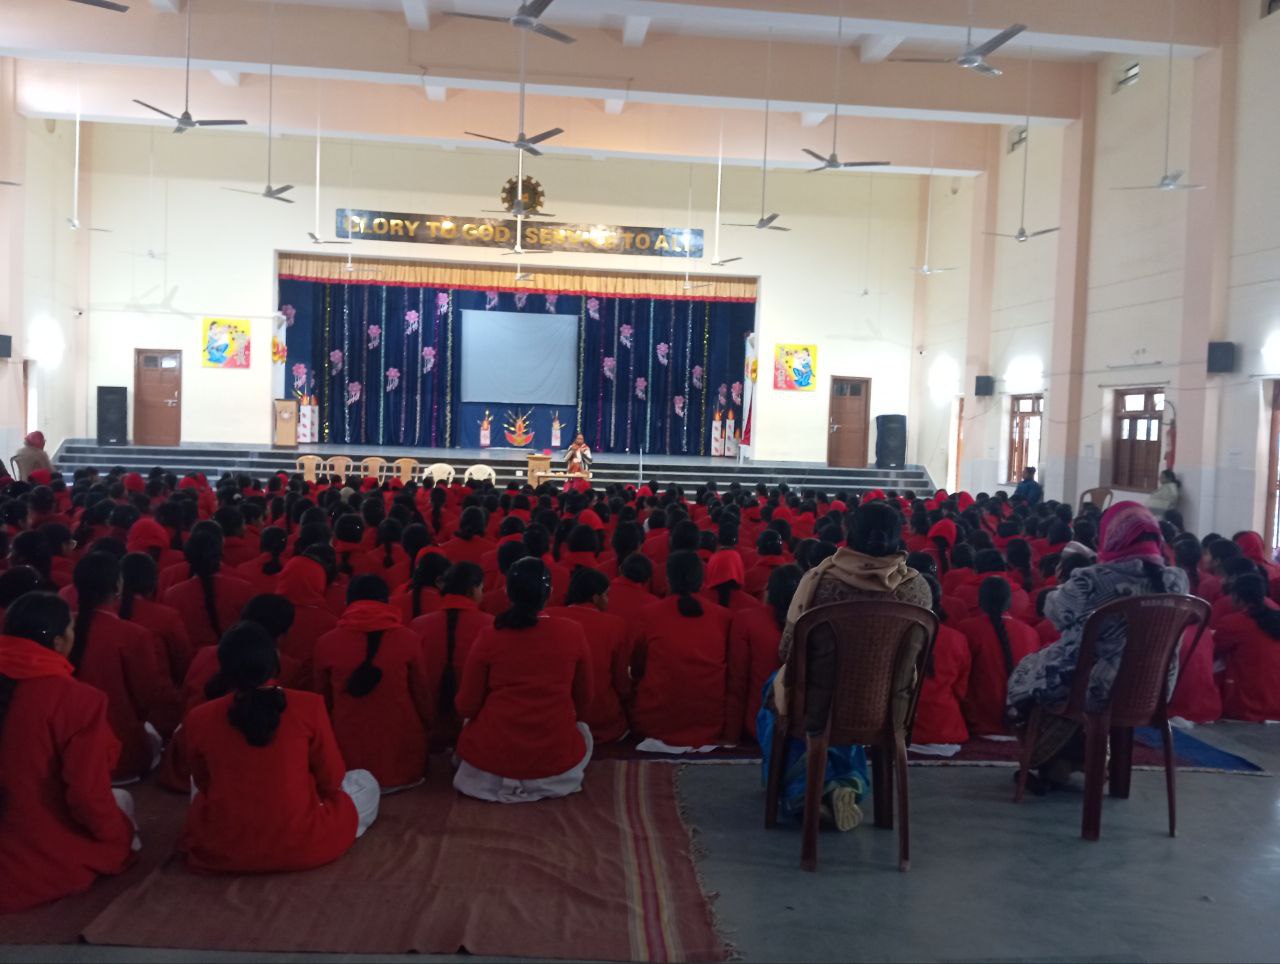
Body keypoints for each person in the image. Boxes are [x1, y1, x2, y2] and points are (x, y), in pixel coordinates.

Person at [757, 501, 931, 831]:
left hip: (821, 707)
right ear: (898, 536)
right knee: (854, 697)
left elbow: (787, 651)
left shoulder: (819, 582)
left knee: (776, 690)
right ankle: (847, 783)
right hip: (889, 708)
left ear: (849, 533)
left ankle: (801, 792)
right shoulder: (918, 589)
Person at [1006, 501, 1188, 789]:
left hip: (1098, 689)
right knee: (1071, 672)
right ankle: (1081, 761)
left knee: (1027, 675)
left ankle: (1051, 758)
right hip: (1155, 688)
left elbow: (1056, 611)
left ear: (1112, 537)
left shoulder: (1091, 580)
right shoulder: (1177, 581)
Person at [181, 621, 379, 872]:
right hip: (303, 843)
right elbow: (332, 779)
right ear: (274, 659)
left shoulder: (199, 717)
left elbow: (202, 782)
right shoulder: (309, 706)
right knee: (366, 782)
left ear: (224, 668)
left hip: (224, 847)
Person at [0, 592, 137, 913]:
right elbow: (87, 797)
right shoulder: (77, 700)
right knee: (122, 804)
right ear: (59, 641)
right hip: (34, 857)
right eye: (72, 628)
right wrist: (116, 836)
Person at [454, 558, 593, 803]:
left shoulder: (490, 636)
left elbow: (467, 705)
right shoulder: (572, 632)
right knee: (584, 732)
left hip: (491, 766)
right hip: (555, 761)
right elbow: (584, 699)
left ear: (507, 592)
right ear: (549, 592)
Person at [314, 575, 433, 791]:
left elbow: (322, 700)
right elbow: (421, 694)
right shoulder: (409, 639)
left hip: (348, 768)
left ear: (348, 602)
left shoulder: (326, 643)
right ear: (387, 601)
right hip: (403, 767)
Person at [69, 553, 173, 782]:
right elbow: (148, 697)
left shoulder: (64, 630)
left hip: (68, 757)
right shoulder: (134, 635)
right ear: (117, 586)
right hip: (124, 758)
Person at [630, 551, 734, 748]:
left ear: (668, 580)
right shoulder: (723, 617)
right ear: (702, 582)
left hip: (655, 722)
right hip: (709, 722)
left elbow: (637, 668)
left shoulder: (648, 615)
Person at [412, 562, 493, 749]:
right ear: (473, 590)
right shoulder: (490, 626)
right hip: (473, 726)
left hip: (427, 725)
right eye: (482, 588)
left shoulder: (418, 625)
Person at [546, 567, 632, 744]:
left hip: (557, 712)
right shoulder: (615, 625)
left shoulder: (549, 616)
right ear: (595, 597)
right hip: (602, 717)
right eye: (606, 595)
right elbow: (621, 682)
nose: (608, 600)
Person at [725, 563, 803, 743]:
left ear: (769, 591)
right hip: (804, 731)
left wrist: (731, 738)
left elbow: (737, 683)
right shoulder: (815, 621)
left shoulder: (747, 620)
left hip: (758, 728)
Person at [956, 577, 1038, 736]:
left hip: (979, 719)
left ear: (980, 602)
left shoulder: (966, 628)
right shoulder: (1031, 633)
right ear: (1010, 603)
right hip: (1020, 720)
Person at [912, 574, 971, 746]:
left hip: (904, 729)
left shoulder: (895, 635)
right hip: (946, 728)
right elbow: (960, 691)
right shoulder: (957, 639)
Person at [1215, 573, 1280, 722]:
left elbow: (1213, 652)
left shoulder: (1233, 623)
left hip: (1248, 708)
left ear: (1237, 597)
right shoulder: (1276, 618)